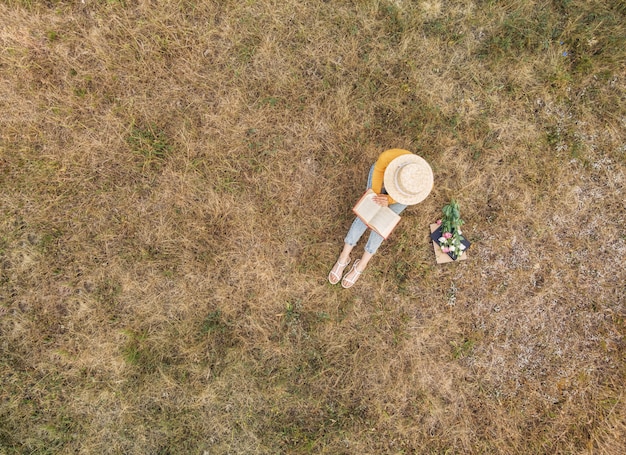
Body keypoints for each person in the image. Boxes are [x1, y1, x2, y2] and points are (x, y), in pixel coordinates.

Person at [328, 149, 434, 288]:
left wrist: (389, 200)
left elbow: (400, 199)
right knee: (367, 212)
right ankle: (344, 256)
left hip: (402, 197)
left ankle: (362, 264)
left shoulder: (421, 185)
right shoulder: (389, 157)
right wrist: (377, 197)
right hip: (382, 176)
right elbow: (378, 172)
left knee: (383, 223)